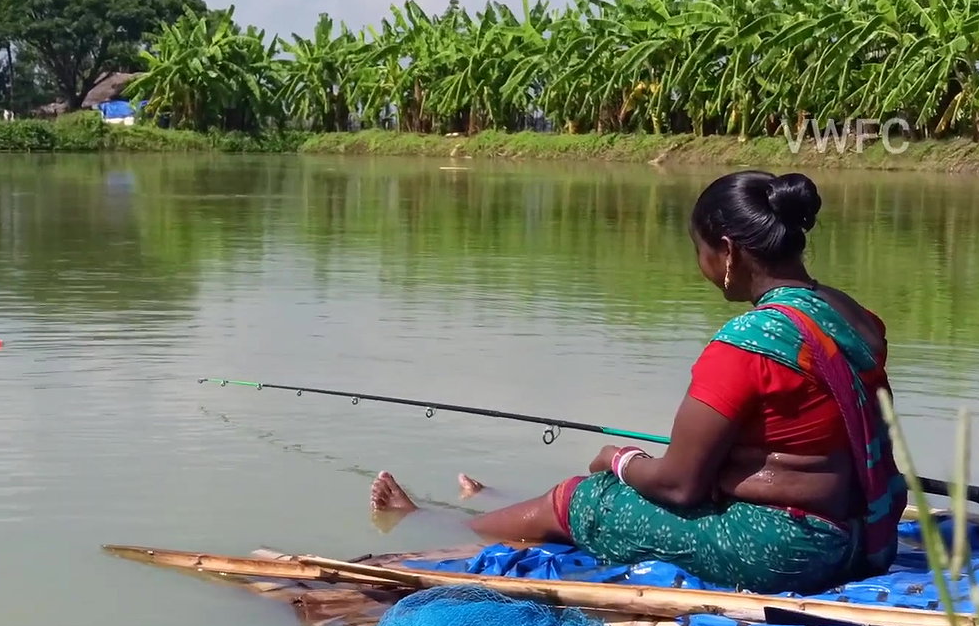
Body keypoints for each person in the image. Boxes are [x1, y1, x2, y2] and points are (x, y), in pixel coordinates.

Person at [369, 170, 907, 594]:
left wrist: (619, 461)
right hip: (868, 536)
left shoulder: (747, 342)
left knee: (585, 498)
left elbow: (680, 486)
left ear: (727, 251)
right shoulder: (853, 315)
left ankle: (437, 526)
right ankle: (486, 502)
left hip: (793, 550)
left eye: (700, 249)